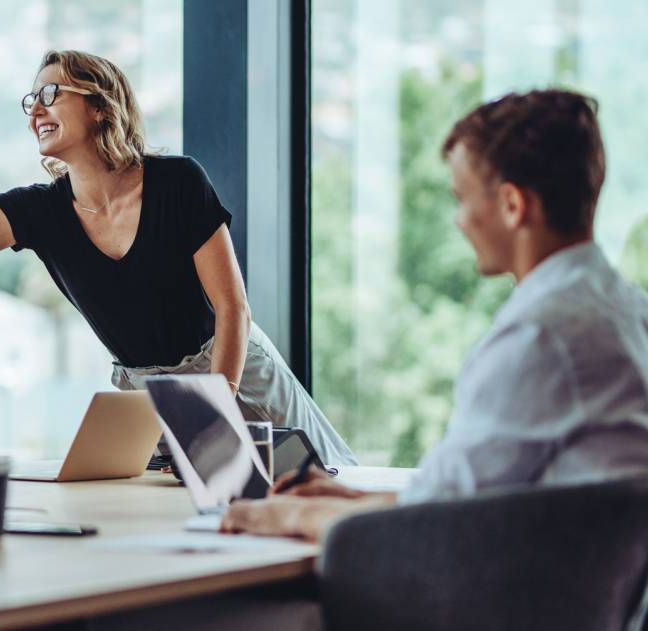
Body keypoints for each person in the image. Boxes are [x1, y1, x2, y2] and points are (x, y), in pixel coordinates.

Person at [0, 50, 356, 466]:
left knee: (322, 487)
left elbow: (233, 309)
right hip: (149, 398)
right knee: (184, 520)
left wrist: (213, 409)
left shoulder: (178, 182)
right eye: (31, 101)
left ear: (99, 105)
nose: (35, 112)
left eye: (50, 94)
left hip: (233, 371)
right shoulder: (40, 212)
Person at [220, 89, 648, 541]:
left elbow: (434, 523)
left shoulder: (541, 334)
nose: (459, 220)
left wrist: (284, 516)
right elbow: (460, 495)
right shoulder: (626, 311)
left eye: (463, 199)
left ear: (512, 205)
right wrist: (348, 498)